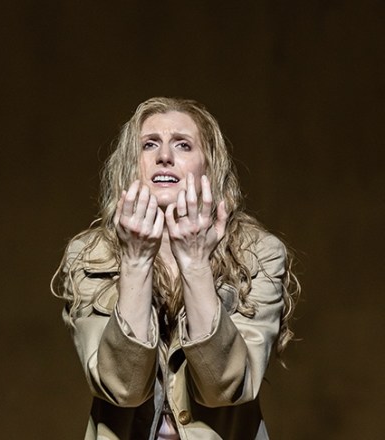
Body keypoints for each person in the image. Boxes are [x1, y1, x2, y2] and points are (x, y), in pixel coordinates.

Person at [51, 97, 300, 440]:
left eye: (183, 144)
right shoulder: (90, 256)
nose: (164, 156)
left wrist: (195, 264)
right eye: (149, 144)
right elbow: (122, 387)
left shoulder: (257, 254)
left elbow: (225, 387)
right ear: (131, 165)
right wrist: (136, 261)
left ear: (209, 166)